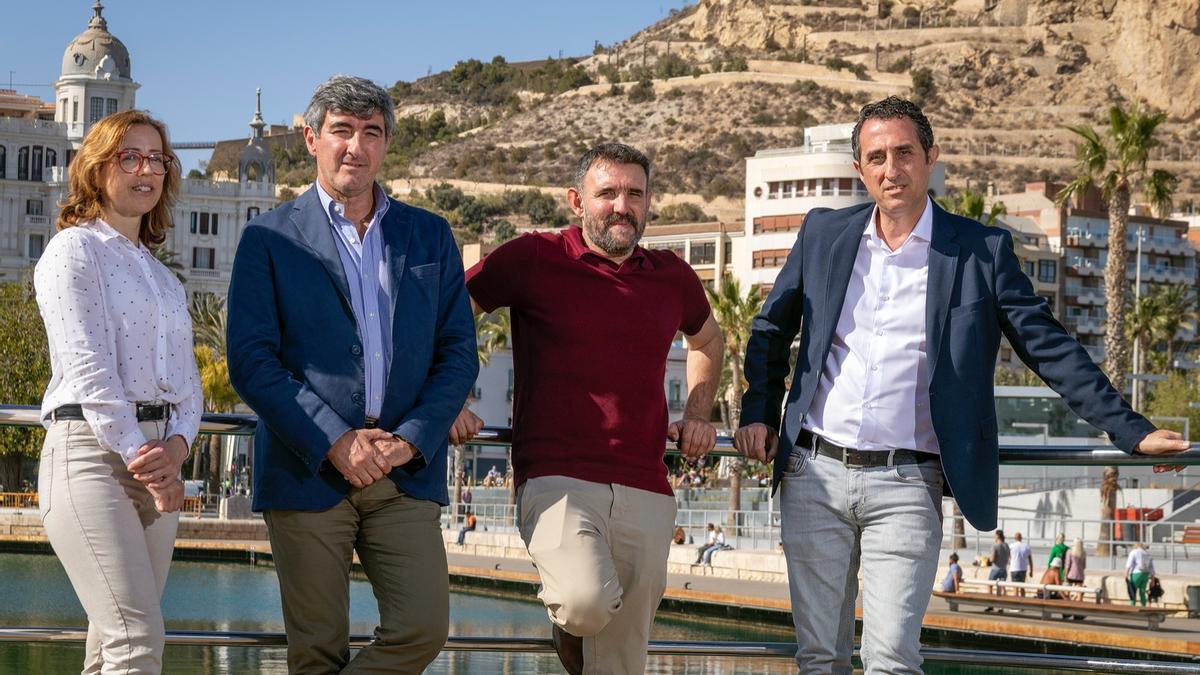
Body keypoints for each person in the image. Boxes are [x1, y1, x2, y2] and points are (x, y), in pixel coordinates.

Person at [733, 95, 1189, 673]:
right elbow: (771, 328)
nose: (890, 169)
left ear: (931, 158)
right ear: (860, 170)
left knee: (892, 658)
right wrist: (758, 413)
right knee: (819, 657)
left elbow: (1047, 348)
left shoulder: (980, 250)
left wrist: (1132, 430)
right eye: (876, 157)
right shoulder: (824, 233)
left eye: (904, 153)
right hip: (813, 475)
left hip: (908, 482)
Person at [226, 75, 478, 673]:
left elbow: (457, 353)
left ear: (386, 143)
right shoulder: (267, 238)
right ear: (312, 138)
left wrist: (413, 437)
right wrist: (333, 439)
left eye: (371, 133)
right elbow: (251, 360)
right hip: (307, 466)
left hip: (403, 469)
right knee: (316, 651)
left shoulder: (430, 234)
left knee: (422, 629)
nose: (355, 147)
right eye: (341, 131)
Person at [450, 142, 723, 674]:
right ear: (577, 201)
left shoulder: (672, 275)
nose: (622, 205)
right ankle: (564, 622)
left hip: (646, 481)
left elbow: (708, 342)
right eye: (607, 193)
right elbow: (454, 309)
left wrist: (696, 413)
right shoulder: (532, 257)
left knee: (620, 661)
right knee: (583, 602)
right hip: (556, 476)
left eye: (635, 194)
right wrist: (452, 397)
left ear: (648, 203)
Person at [34, 109, 201, 674]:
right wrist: (142, 455)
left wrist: (174, 451)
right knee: (135, 638)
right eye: (130, 156)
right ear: (97, 169)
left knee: (110, 650)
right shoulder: (73, 251)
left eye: (157, 158)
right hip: (91, 457)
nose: (146, 169)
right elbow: (88, 370)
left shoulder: (164, 277)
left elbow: (189, 387)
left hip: (155, 462)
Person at [1009, 531, 1033, 597]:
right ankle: (1023, 601)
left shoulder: (1011, 546)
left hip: (1014, 569)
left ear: (1015, 538)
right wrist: (1031, 570)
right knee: (1022, 586)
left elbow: (1009, 557)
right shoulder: (1026, 546)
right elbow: (1030, 560)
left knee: (1015, 587)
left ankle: (1016, 602)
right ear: (1021, 538)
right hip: (1023, 569)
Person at [988, 530, 1010, 597]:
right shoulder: (1006, 545)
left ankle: (990, 603)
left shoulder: (995, 546)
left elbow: (993, 559)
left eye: (995, 536)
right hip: (1004, 569)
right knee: (1002, 586)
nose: (994, 537)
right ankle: (1001, 605)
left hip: (995, 569)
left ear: (997, 536)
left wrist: (988, 560)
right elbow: (1008, 556)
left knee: (990, 585)